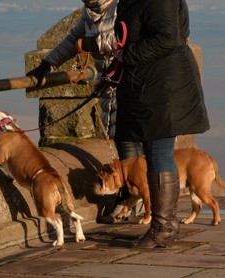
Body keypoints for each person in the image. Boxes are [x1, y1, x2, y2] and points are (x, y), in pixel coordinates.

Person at [113, 0, 210, 248]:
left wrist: (127, 55)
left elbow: (168, 38)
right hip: (152, 85)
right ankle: (164, 224)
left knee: (158, 152)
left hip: (162, 87)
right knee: (156, 151)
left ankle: (163, 226)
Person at [26, 0, 133, 222]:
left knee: (130, 142)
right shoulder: (90, 13)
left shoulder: (122, 6)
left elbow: (123, 39)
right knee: (120, 142)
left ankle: (128, 198)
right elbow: (73, 42)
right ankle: (129, 197)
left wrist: (91, 43)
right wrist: (47, 64)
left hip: (129, 82)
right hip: (108, 86)